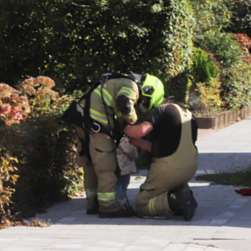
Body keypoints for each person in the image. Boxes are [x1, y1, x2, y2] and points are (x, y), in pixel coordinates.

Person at [67, 72, 165, 217]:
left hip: (82, 120)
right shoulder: (131, 86)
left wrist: (120, 126)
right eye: (145, 100)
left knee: (90, 163)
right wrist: (133, 122)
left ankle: (93, 204)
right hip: (95, 125)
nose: (141, 102)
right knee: (107, 167)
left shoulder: (118, 83)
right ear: (148, 89)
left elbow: (117, 110)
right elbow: (124, 103)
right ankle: (109, 207)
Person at [125, 97, 199, 220]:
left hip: (169, 169)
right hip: (189, 169)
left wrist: (125, 128)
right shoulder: (190, 117)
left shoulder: (164, 108)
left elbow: (140, 131)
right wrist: (140, 143)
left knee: (141, 203)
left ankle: (175, 202)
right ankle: (183, 194)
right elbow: (169, 146)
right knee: (170, 184)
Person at [116, 135, 139, 210]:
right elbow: (130, 151)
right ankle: (121, 199)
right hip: (123, 166)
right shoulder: (125, 140)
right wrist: (135, 154)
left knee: (119, 183)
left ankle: (119, 198)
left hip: (119, 166)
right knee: (124, 183)